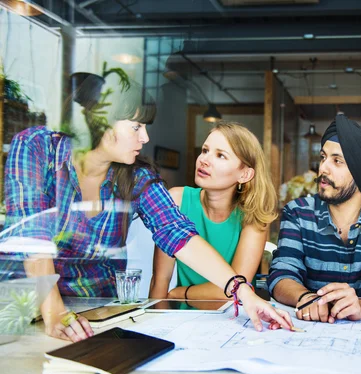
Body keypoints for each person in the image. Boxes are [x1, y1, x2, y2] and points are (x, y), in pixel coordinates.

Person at [2, 76, 292, 342]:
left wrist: (242, 292)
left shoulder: (137, 177)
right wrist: (54, 311)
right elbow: (33, 238)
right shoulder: (36, 148)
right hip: (23, 309)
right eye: (136, 127)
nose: (145, 138)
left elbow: (177, 234)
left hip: (97, 316)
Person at [268, 114, 361, 323]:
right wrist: (306, 298)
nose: (323, 168)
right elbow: (282, 273)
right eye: (322, 157)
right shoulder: (298, 213)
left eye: (337, 161)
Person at [150, 121, 277, 300]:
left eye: (220, 155)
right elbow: (159, 282)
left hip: (233, 321)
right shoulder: (176, 200)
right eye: (204, 150)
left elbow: (234, 294)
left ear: (245, 175)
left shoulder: (253, 218)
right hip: (179, 320)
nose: (204, 160)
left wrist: (180, 294)